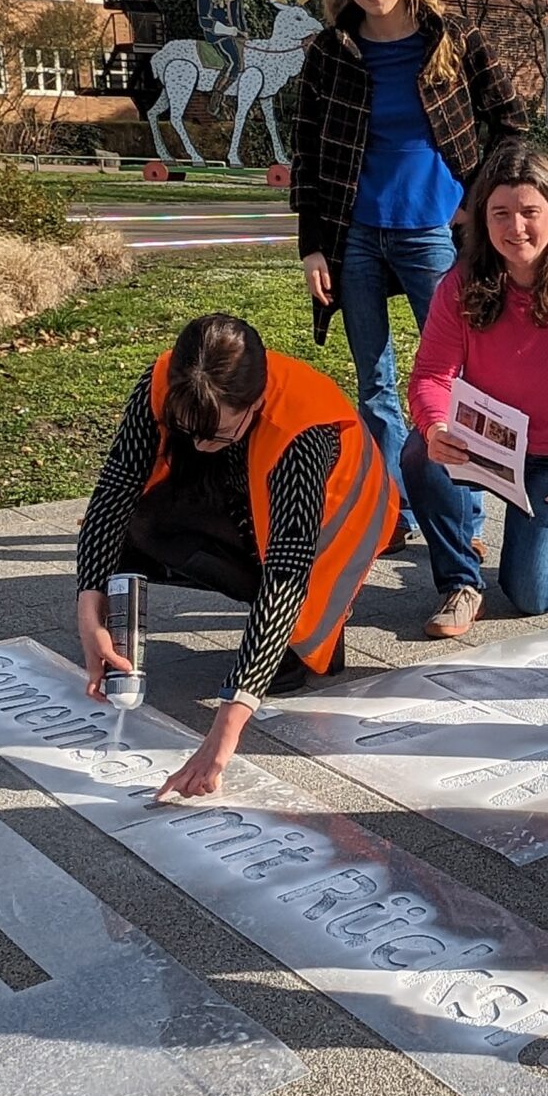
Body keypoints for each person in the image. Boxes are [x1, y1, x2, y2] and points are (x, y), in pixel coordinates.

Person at [74, 312, 400, 800]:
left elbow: (288, 572)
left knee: (299, 642)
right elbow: (118, 484)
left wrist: (222, 737)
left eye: (218, 433)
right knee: (134, 523)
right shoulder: (167, 381)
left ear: (254, 403)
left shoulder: (301, 433)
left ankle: (305, 643)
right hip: (241, 487)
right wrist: (89, 609)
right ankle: (158, 630)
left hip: (335, 528)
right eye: (190, 430)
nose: (201, 444)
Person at [291, 0, 524, 542]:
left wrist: (477, 201)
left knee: (452, 381)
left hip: (435, 237)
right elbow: (307, 152)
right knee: (375, 386)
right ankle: (394, 510)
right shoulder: (330, 51)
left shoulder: (455, 38)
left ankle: (464, 517)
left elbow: (512, 125)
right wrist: (313, 245)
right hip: (356, 234)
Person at [403, 140, 548, 638]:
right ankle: (460, 583)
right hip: (488, 445)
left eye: (530, 212)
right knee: (419, 454)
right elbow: (430, 375)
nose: (516, 228)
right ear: (481, 219)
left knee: (531, 595)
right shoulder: (461, 284)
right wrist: (436, 425)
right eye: (501, 213)